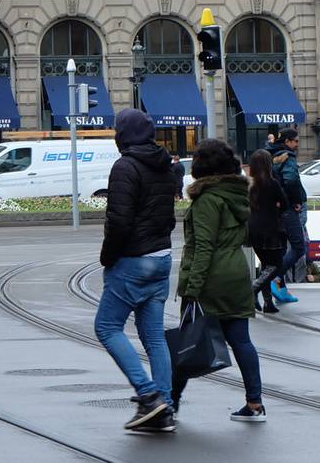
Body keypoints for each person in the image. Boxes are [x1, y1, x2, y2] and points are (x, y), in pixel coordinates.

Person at [94, 108, 178, 434]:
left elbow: (119, 221)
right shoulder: (165, 164)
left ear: (122, 134)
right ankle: (166, 408)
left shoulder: (125, 166)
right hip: (162, 256)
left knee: (107, 327)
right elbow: (168, 215)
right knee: (155, 338)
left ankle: (149, 395)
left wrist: (108, 257)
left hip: (133, 259)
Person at [172, 139, 265, 422]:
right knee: (241, 341)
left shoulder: (207, 200)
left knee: (186, 344)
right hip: (236, 273)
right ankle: (254, 403)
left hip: (211, 277)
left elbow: (203, 248)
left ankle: (169, 402)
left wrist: (192, 288)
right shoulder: (237, 195)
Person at [245, 149, 289, 314]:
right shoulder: (272, 183)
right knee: (276, 265)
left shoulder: (249, 185)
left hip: (253, 229)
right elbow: (284, 204)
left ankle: (268, 303)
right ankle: (253, 290)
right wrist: (276, 207)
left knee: (266, 265)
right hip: (271, 229)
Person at [269, 127, 307, 301]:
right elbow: (291, 180)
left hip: (272, 208)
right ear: (287, 141)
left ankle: (280, 289)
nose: (298, 144)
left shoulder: (269, 154)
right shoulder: (288, 156)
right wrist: (296, 201)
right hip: (287, 207)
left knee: (281, 249)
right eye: (295, 141)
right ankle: (274, 278)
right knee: (299, 246)